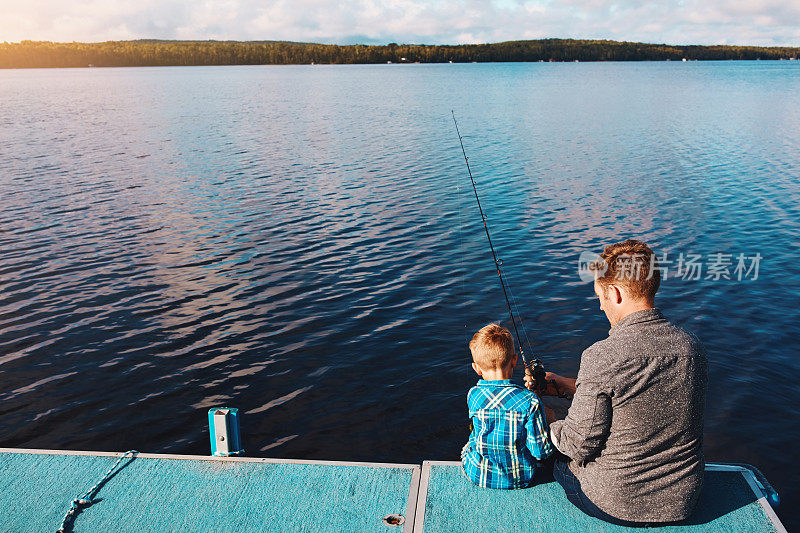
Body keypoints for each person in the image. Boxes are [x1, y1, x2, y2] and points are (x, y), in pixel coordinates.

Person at [526, 239, 707, 526]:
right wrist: (568, 385)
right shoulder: (691, 347)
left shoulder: (603, 356)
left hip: (618, 503)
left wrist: (547, 421)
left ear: (616, 292)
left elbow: (577, 445)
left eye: (600, 296)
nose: (600, 306)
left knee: (547, 453)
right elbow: (642, 396)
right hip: (684, 500)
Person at [461, 323, 553, 489]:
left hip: (477, 474)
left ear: (476, 368)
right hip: (522, 479)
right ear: (514, 360)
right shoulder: (530, 401)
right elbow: (541, 453)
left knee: (470, 442)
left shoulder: (473, 395)